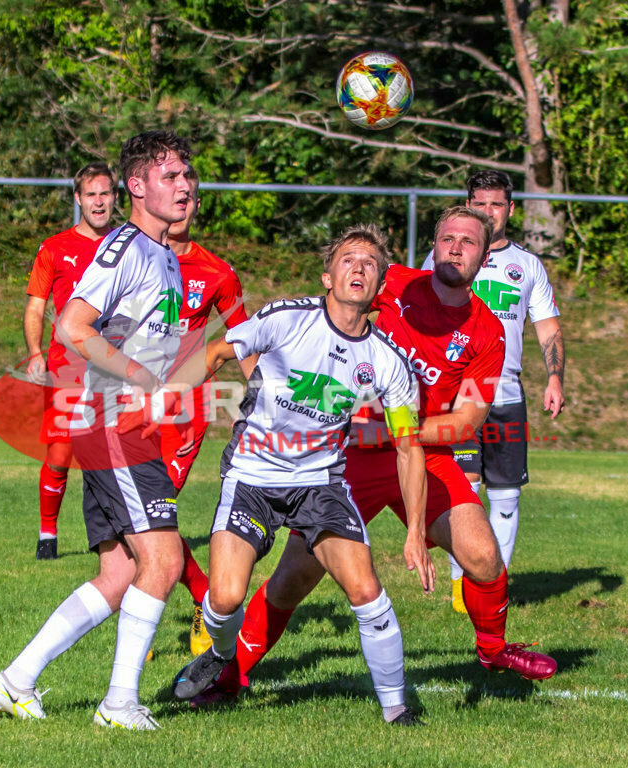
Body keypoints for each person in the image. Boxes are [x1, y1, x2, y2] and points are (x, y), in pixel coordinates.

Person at [190, 206, 557, 707]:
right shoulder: (394, 283)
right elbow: (331, 313)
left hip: (420, 455)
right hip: (345, 462)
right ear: (433, 245)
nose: (455, 247)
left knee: (483, 554)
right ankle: (229, 676)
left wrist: (391, 432)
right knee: (291, 580)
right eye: (447, 238)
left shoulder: (489, 331)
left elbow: (467, 422)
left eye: (467, 242)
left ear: (484, 256)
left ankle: (492, 652)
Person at [169, 223, 434, 726]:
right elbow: (220, 352)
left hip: (321, 485)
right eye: (348, 260)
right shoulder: (288, 319)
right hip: (251, 477)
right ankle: (221, 654)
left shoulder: (387, 362)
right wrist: (164, 392)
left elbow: (407, 445)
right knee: (224, 598)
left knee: (366, 591)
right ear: (327, 277)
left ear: (379, 288)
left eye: (370, 264)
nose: (358, 267)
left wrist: (415, 532)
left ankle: (398, 710)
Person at [0, 130, 194, 731]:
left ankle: (15, 681)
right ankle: (119, 705)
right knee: (164, 559)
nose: (183, 186)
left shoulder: (165, 254)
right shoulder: (127, 247)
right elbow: (74, 326)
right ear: (136, 186)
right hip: (110, 421)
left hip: (126, 424)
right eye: (169, 176)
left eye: (186, 176)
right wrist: (136, 378)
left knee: (120, 573)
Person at [421, 170, 565, 611]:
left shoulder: (528, 267)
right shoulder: (443, 256)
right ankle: (461, 586)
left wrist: (555, 377)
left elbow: (547, 328)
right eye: (479, 203)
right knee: (462, 490)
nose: (487, 212)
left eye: (496, 204)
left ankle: (493, 582)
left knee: (505, 497)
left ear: (510, 209)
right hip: (456, 397)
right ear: (468, 204)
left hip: (505, 397)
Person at [162, 166, 252, 655]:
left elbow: (244, 339)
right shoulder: (124, 258)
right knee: (128, 522)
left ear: (196, 206)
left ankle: (200, 601)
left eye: (190, 195)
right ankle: (199, 594)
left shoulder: (216, 272)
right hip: (123, 404)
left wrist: (262, 394)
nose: (182, 201)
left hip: (183, 407)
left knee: (149, 513)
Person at [23, 162, 118, 560]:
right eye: (91, 195)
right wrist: (34, 353)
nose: (99, 202)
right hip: (67, 369)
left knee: (115, 456)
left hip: (116, 368)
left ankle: (119, 536)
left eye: (106, 194)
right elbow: (35, 306)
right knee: (61, 455)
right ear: (78, 199)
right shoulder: (55, 247)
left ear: (116, 198)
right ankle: (48, 533)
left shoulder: (130, 243)